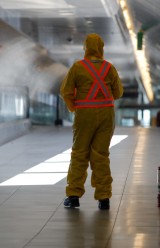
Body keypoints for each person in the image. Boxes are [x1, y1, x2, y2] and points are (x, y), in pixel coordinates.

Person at [60, 33, 123, 209]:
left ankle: (73, 195)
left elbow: (66, 92)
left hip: (84, 115)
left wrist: (74, 108)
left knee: (79, 153)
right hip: (106, 115)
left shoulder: (77, 68)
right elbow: (117, 93)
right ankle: (104, 198)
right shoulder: (109, 68)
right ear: (101, 48)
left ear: (86, 48)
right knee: (101, 155)